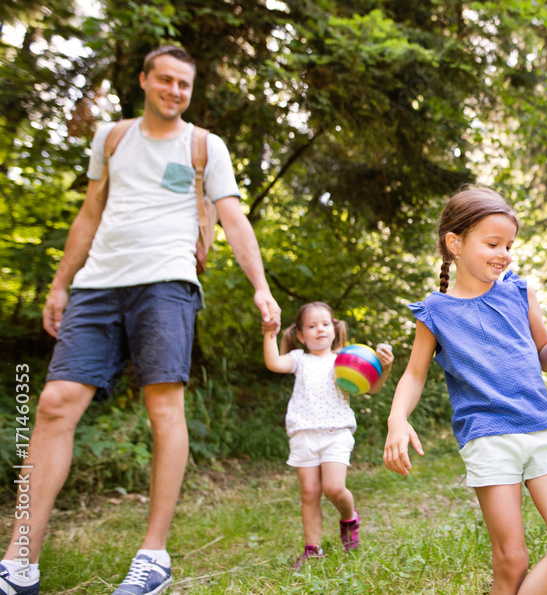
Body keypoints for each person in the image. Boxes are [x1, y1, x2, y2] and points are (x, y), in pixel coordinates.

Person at [1, 46, 281, 595]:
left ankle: (153, 556)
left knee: (163, 409)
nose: (175, 91)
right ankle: (20, 559)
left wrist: (261, 286)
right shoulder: (112, 138)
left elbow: (233, 218)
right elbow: (90, 213)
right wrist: (60, 283)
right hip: (97, 285)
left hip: (167, 283)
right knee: (54, 403)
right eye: (166, 80)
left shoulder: (204, 145)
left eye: (184, 84)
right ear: (144, 80)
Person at [383, 187, 547, 595]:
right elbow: (414, 374)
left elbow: (545, 359)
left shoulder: (520, 292)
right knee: (511, 562)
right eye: (493, 244)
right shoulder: (435, 311)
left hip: (544, 428)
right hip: (489, 438)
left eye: (509, 245)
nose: (504, 254)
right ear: (455, 243)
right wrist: (397, 420)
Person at [263, 301, 394, 566]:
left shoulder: (345, 359)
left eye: (325, 324)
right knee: (309, 492)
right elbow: (273, 362)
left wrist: (386, 367)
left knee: (333, 488)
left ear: (335, 330)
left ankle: (349, 518)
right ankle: (312, 549)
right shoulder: (300, 359)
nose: (320, 329)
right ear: (301, 336)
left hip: (337, 432)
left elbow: (372, 388)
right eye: (312, 326)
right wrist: (268, 333)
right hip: (303, 434)